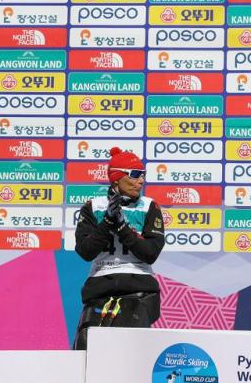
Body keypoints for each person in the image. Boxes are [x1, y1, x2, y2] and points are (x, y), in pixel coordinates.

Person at [72, 147, 165, 350]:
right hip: (100, 287)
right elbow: (85, 251)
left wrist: (122, 227)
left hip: (139, 287)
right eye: (135, 175)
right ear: (116, 178)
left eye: (143, 175)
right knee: (85, 347)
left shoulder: (149, 207)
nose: (141, 180)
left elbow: (150, 253)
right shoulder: (93, 207)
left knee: (125, 346)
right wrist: (106, 221)